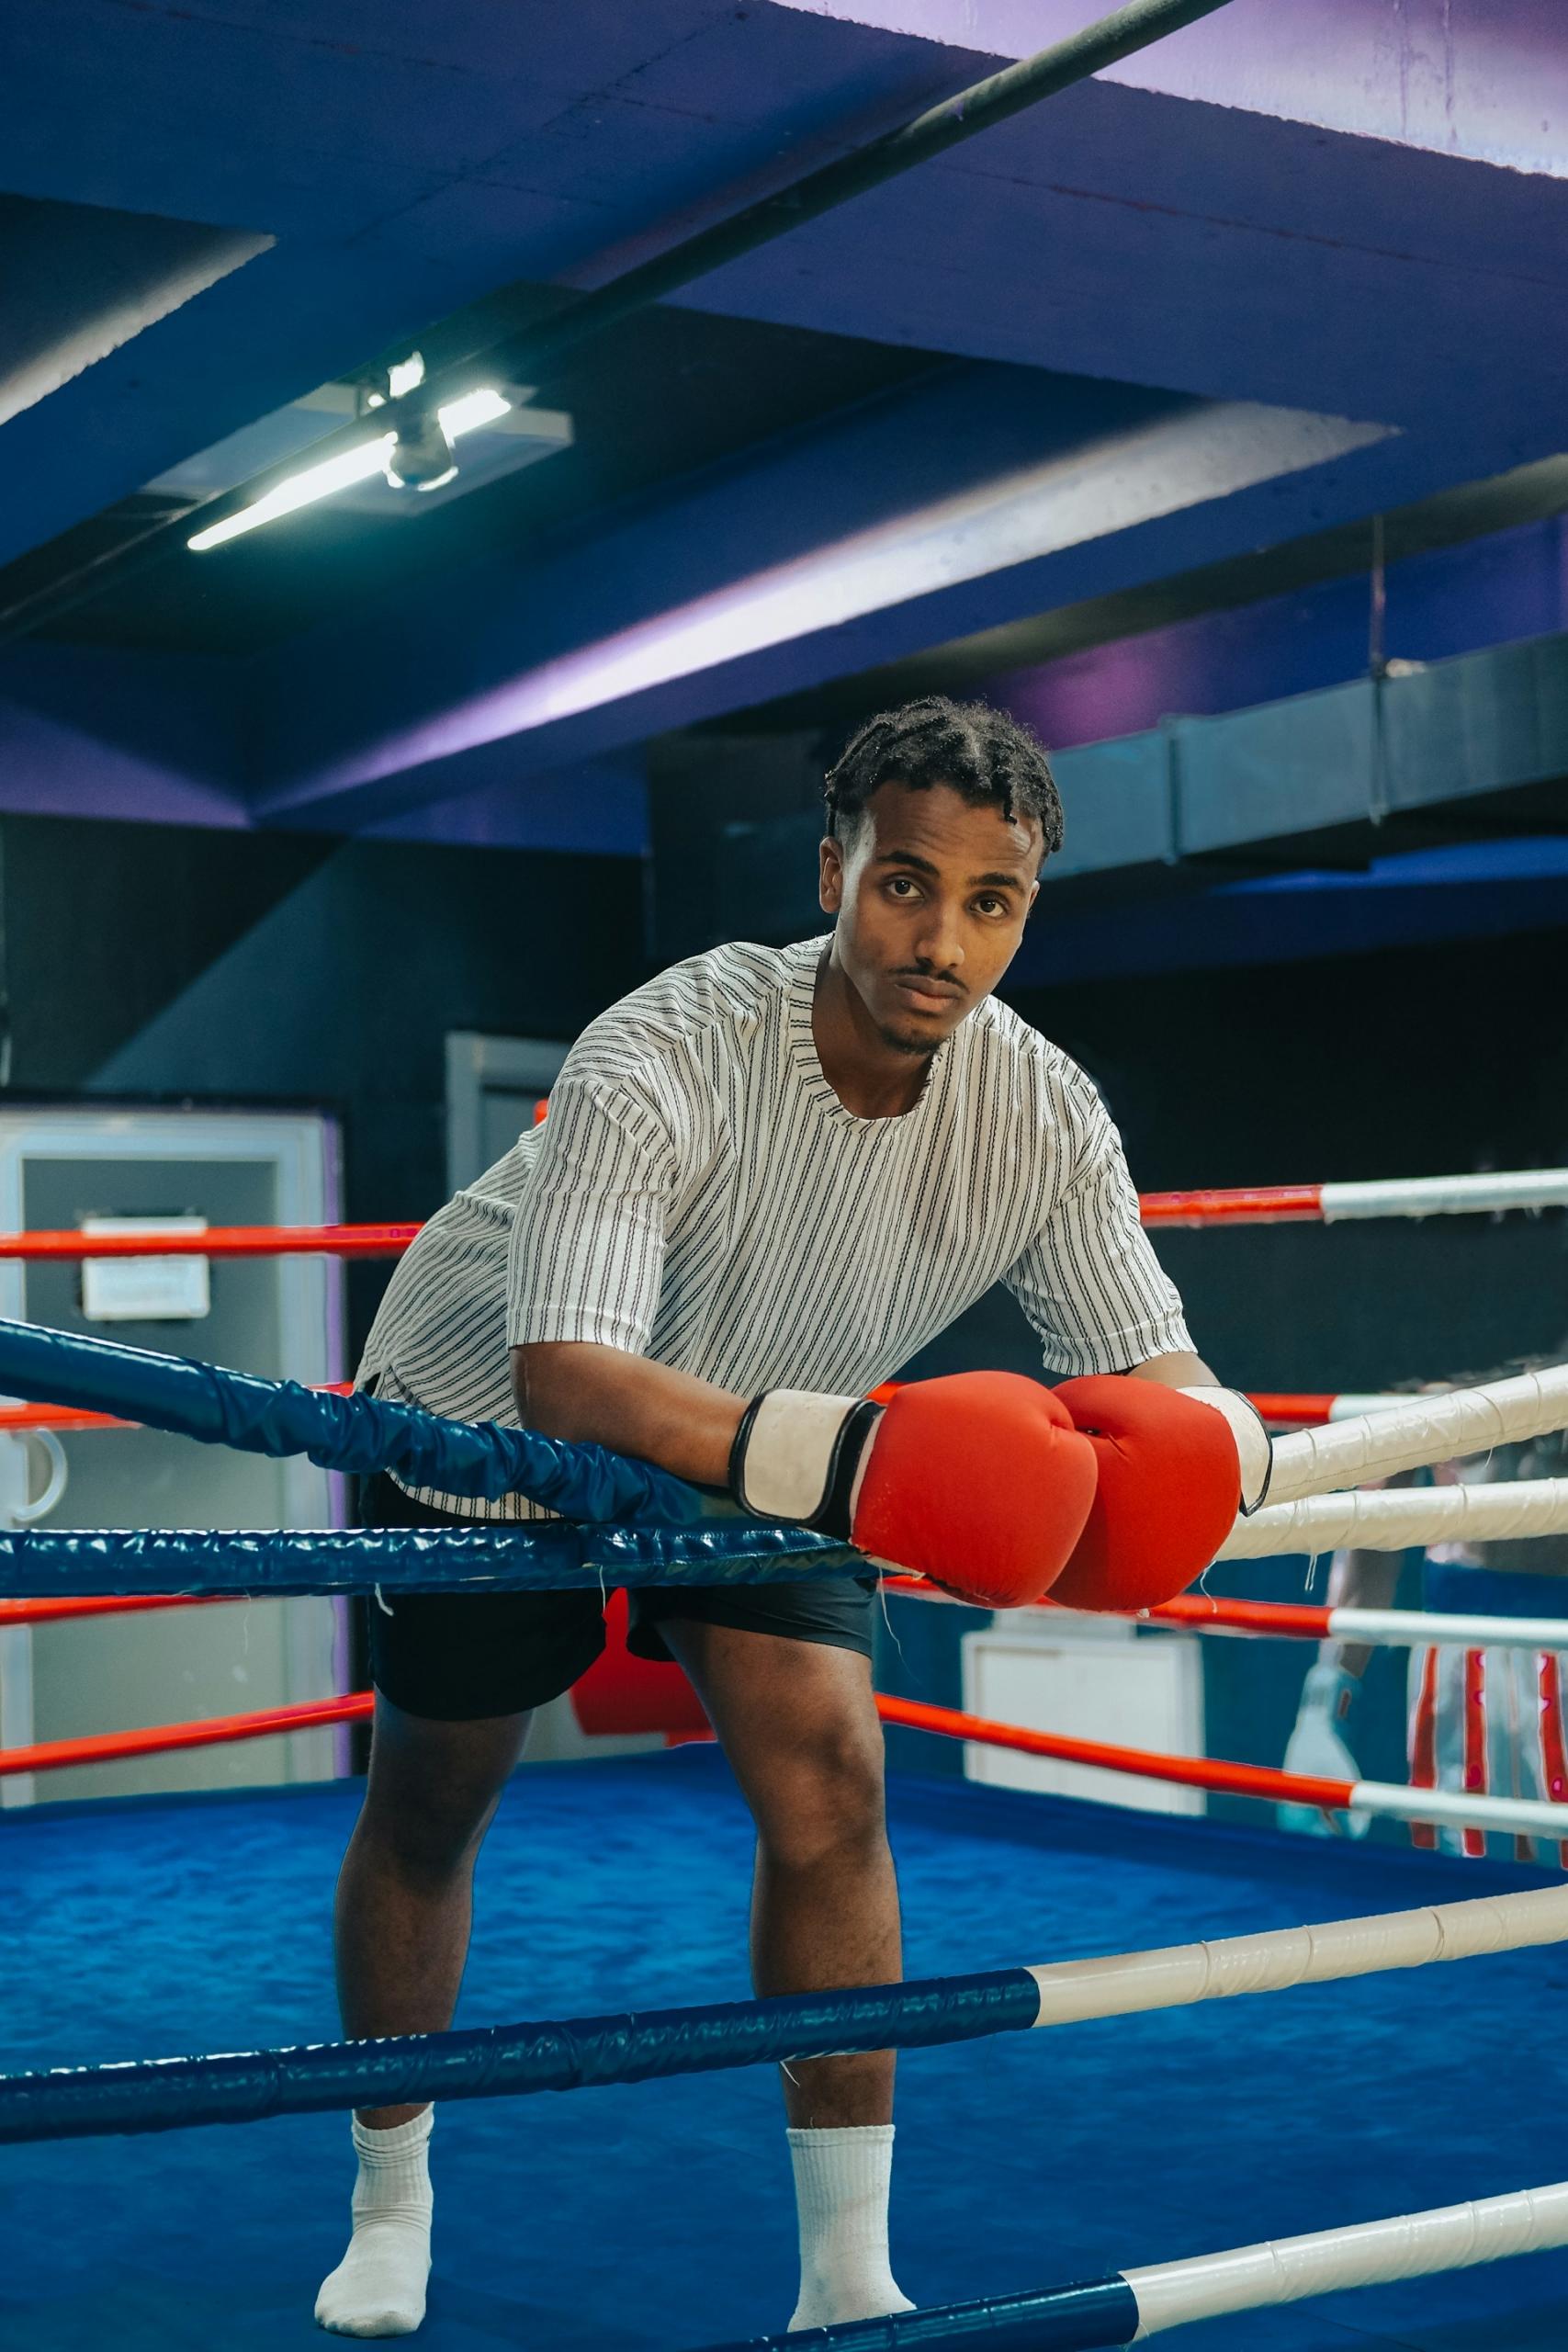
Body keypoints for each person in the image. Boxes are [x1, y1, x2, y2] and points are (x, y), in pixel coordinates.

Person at [316, 695, 1259, 2338]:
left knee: (832, 1776)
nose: (941, 940)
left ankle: (845, 2276)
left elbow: (1160, 1371)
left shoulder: (1040, 1110)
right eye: (905, 883)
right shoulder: (662, 1046)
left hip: (771, 1436)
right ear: (830, 871)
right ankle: (390, 2193)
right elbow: (571, 1378)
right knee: (433, 1800)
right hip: (487, 1425)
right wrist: (871, 1469)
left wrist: (1217, 1456)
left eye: (991, 901)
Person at [1280, 1357, 1568, 1860]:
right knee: (1465, 1865)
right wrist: (1323, 1709)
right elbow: (1370, 1544)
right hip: (1461, 1656)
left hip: (1537, 1643)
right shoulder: (1442, 1379)